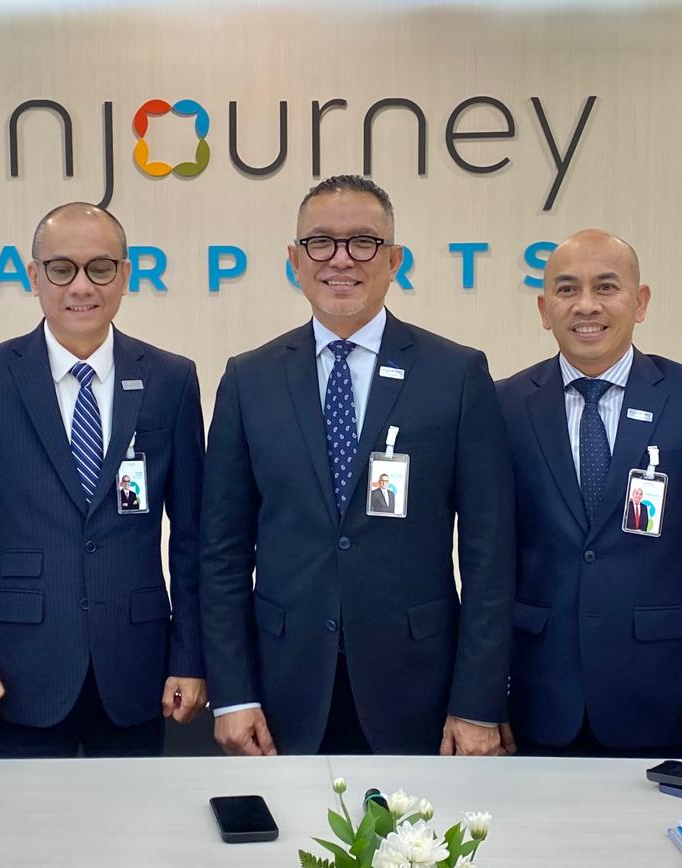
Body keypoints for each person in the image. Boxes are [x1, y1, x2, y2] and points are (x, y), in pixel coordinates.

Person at [201, 175, 515, 756]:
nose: (341, 259)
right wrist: (232, 694)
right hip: (282, 687)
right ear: (295, 260)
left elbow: (489, 555)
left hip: (418, 687)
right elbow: (221, 551)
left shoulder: (456, 374)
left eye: (363, 242)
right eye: (321, 242)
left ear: (394, 260)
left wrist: (477, 701)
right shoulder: (249, 379)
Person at [0, 202, 205, 758]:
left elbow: (194, 538)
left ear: (125, 274)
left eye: (100, 268)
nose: (81, 286)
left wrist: (190, 656)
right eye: (61, 269)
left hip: (137, 664)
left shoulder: (170, 379)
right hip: (19, 665)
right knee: (25, 816)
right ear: (34, 276)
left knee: (134, 814)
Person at [496, 229, 682, 758]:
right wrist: (482, 699)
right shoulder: (503, 405)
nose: (586, 305)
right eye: (567, 289)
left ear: (640, 302)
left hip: (666, 698)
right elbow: (489, 563)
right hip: (538, 699)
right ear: (544, 309)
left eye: (606, 287)